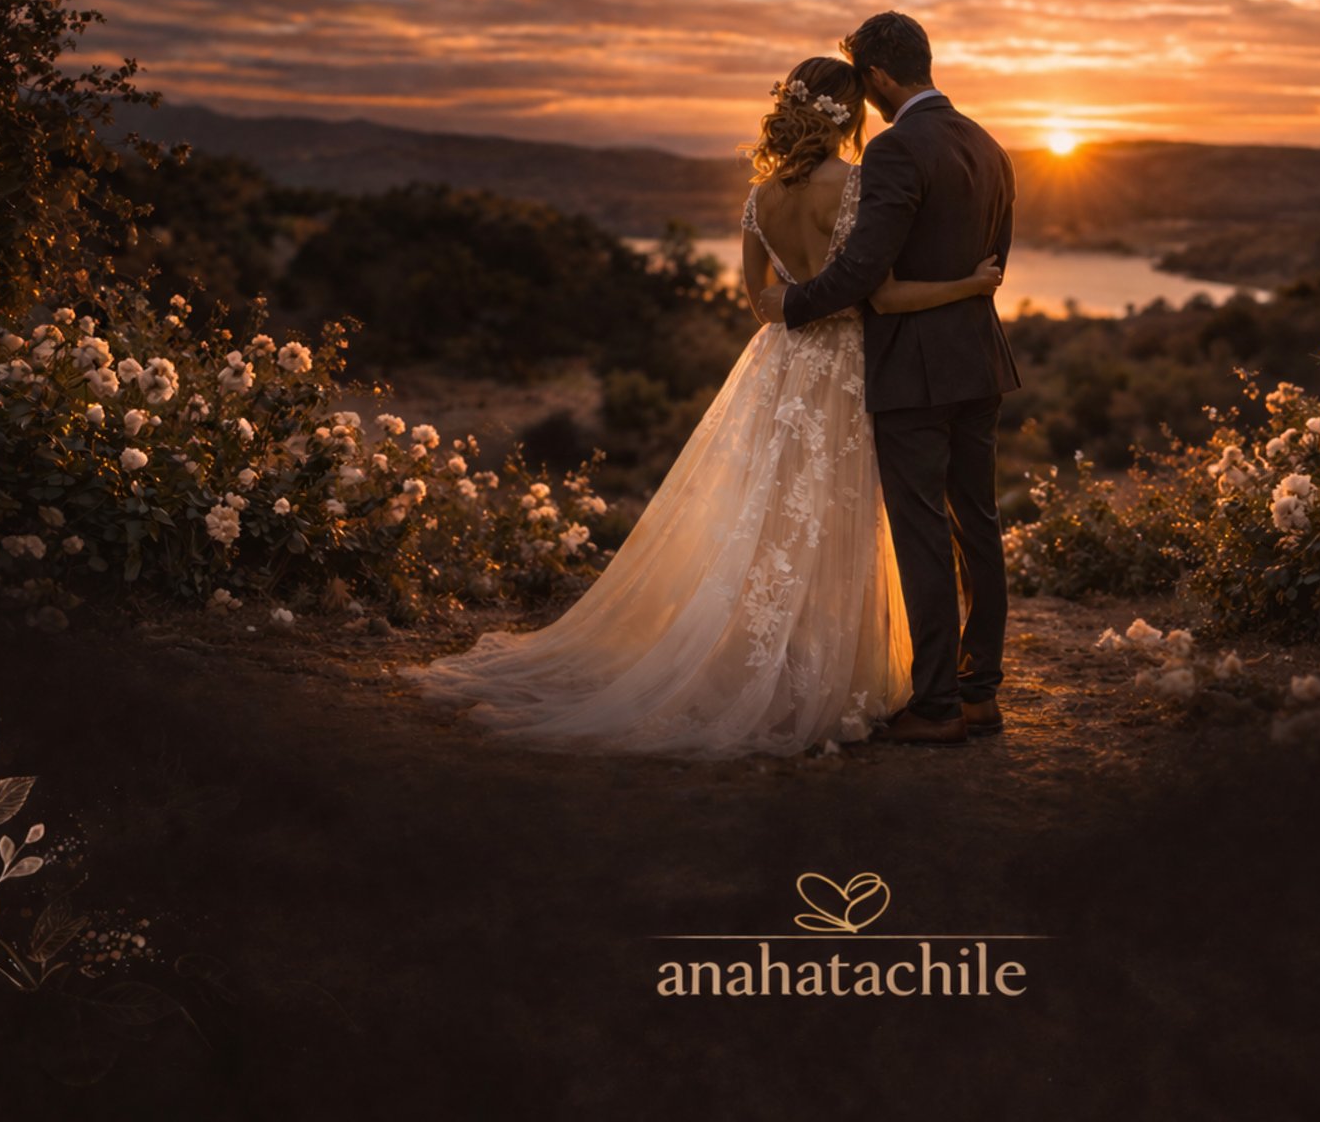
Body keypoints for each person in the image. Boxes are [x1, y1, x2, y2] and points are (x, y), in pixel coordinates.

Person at [399, 51, 1004, 757]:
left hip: (781, 371)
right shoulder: (859, 187)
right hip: (849, 370)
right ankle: (857, 673)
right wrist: (970, 284)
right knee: (846, 519)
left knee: (776, 519)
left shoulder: (760, 198)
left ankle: (778, 661)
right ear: (850, 113)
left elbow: (760, 305)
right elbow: (880, 294)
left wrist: (792, 306)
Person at [757, 12, 1021, 747]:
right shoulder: (990, 145)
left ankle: (935, 705)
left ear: (876, 78)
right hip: (981, 360)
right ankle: (980, 695)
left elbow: (864, 271)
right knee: (980, 526)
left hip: (913, 368)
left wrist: (794, 308)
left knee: (922, 532)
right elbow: (992, 267)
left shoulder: (899, 150)